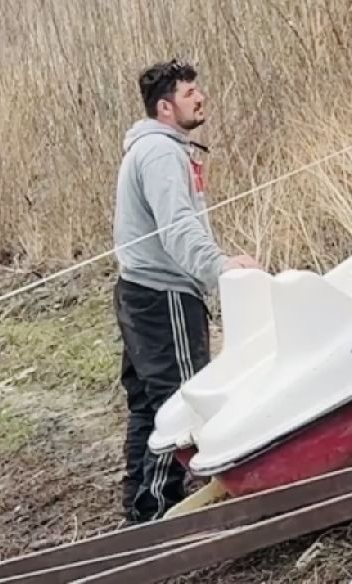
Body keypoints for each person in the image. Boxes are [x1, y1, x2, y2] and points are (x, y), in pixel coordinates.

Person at [111, 58, 259, 524]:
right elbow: (178, 230)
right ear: (165, 107)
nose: (201, 97)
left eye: (199, 88)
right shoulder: (160, 154)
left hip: (142, 291)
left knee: (149, 402)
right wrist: (221, 268)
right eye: (189, 92)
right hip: (163, 294)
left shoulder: (163, 148)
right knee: (177, 400)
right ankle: (158, 509)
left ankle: (143, 504)